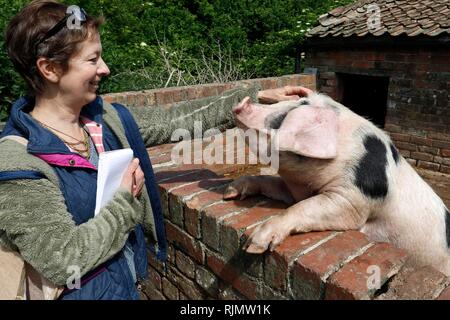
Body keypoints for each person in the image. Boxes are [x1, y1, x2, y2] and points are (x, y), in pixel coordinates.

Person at [0, 0, 309, 300]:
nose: (105, 69)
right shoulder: (18, 163)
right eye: (93, 60)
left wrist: (253, 98)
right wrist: (124, 202)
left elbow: (180, 119)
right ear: (50, 69)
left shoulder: (105, 119)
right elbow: (62, 260)